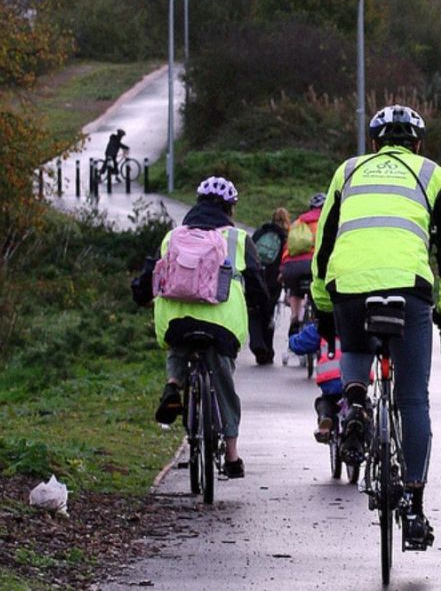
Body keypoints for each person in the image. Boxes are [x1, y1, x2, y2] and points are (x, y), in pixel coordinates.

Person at [311, 104, 441, 548]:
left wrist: (325, 304)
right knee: (413, 398)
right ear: (418, 145)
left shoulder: (348, 172)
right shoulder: (432, 174)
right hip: (409, 289)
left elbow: (325, 244)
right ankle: (415, 510)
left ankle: (356, 401)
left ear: (374, 144)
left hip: (350, 285)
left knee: (357, 346)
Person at [135, 176, 269, 479]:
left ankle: (173, 384)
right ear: (230, 208)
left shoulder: (173, 237)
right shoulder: (238, 239)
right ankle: (232, 456)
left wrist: (141, 296)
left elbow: (149, 276)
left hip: (176, 320)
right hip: (222, 325)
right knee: (223, 381)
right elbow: (259, 287)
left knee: (178, 343)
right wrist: (260, 307)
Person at [288, 323, 373, 442]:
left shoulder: (321, 326)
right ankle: (367, 431)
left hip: (330, 379)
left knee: (326, 401)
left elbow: (299, 345)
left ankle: (325, 416)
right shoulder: (361, 322)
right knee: (363, 403)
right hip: (356, 378)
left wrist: (292, 337)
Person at [248, 207, 291, 365]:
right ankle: (267, 350)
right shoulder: (285, 237)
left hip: (257, 276)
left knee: (254, 311)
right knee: (268, 314)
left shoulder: (261, 232)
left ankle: (257, 345)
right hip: (274, 280)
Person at [281, 194, 325, 337]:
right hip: (315, 265)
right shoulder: (328, 220)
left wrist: (282, 271)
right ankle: (320, 318)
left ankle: (295, 317)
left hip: (291, 267)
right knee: (321, 288)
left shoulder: (298, 222)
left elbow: (287, 248)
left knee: (295, 289)